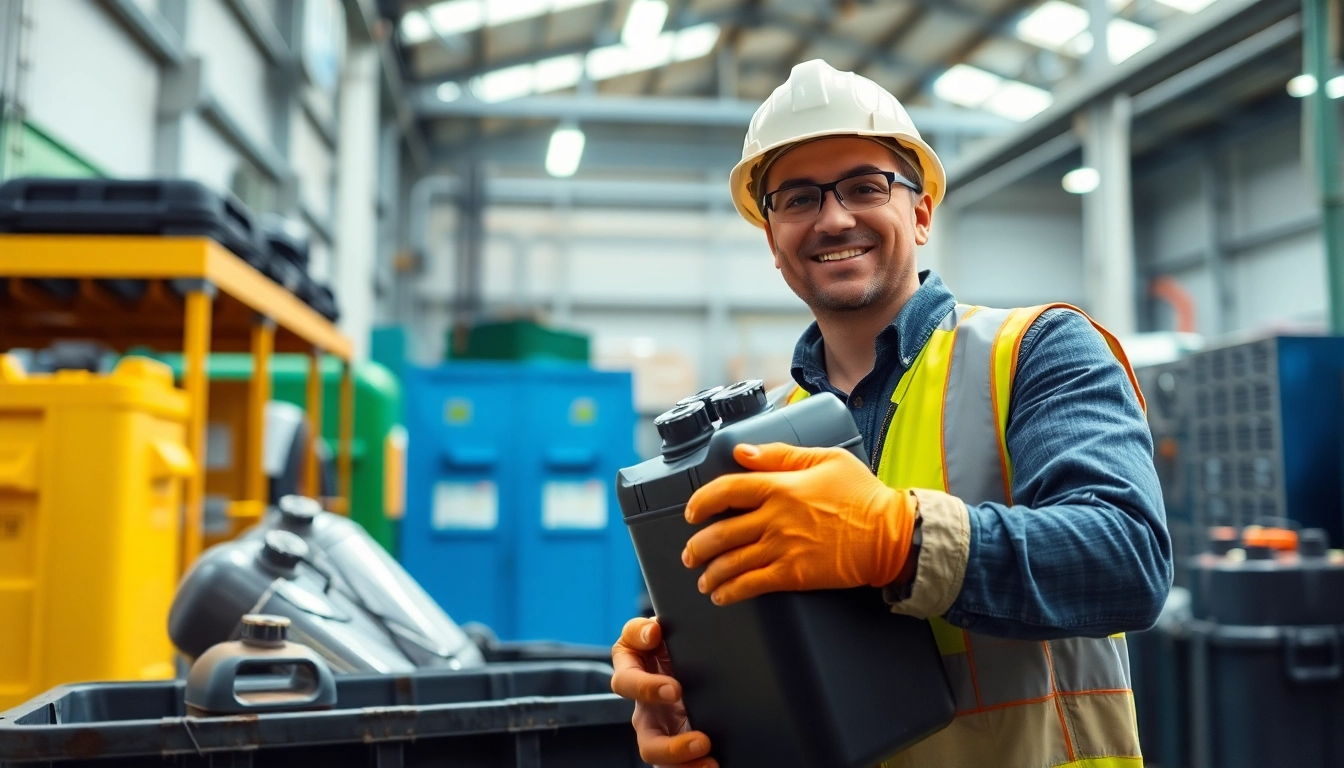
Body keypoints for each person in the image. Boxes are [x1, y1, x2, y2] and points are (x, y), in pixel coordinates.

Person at [609, 59, 1171, 768]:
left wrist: (897, 540)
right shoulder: (754, 440)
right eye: (799, 198)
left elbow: (1127, 560)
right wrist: (681, 688)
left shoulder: (1034, 350)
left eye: (865, 187)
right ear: (773, 241)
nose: (833, 218)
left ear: (922, 213)